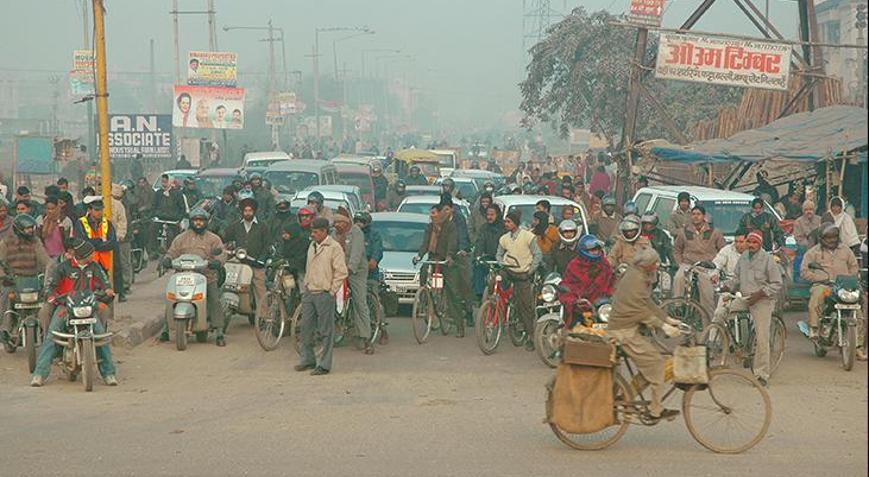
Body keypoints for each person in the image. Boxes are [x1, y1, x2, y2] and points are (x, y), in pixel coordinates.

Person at [606, 247, 682, 421]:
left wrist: (667, 318)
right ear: (647, 265)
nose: (656, 266)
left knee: (649, 368)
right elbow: (640, 310)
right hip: (623, 333)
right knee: (657, 364)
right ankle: (656, 410)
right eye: (654, 263)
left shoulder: (637, 274)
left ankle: (626, 398)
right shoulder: (636, 279)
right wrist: (663, 326)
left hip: (627, 329)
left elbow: (647, 302)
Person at [30, 239, 118, 387]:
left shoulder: (94, 267)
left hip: (89, 308)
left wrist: (108, 291)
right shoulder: (63, 268)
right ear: (84, 254)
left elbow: (105, 283)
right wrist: (52, 297)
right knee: (52, 335)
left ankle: (109, 373)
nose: (93, 255)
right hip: (66, 307)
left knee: (100, 336)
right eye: (91, 253)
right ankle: (39, 374)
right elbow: (50, 287)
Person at [715, 232, 783, 386]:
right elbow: (737, 278)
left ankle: (761, 374)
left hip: (763, 300)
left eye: (754, 242)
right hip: (745, 297)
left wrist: (760, 294)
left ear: (760, 244)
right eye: (749, 242)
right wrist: (727, 287)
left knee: (762, 336)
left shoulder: (767, 260)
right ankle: (733, 345)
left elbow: (777, 284)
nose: (751, 245)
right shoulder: (744, 257)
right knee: (721, 312)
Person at [161, 208, 227, 346]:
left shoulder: (213, 239)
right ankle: (165, 329)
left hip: (206, 276)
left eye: (201, 220)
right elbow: (172, 252)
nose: (198, 223)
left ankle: (219, 332)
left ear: (206, 222)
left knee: (215, 300)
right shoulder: (181, 238)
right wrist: (167, 259)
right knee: (171, 297)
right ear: (191, 222)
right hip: (182, 275)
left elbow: (221, 253)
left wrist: (217, 262)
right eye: (195, 220)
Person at [295, 218, 348, 376]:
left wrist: (331, 290)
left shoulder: (334, 247)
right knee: (305, 328)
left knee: (326, 331)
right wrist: (306, 284)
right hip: (310, 292)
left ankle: (324, 364)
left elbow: (341, 272)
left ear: (325, 231)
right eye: (312, 232)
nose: (313, 235)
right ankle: (308, 359)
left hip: (324, 293)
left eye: (316, 232)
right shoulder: (312, 246)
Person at [800, 225, 860, 343]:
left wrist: (851, 278)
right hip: (823, 285)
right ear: (822, 238)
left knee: (859, 306)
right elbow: (804, 271)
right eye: (828, 238)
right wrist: (819, 278)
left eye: (834, 237)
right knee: (816, 297)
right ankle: (814, 328)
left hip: (843, 287)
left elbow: (854, 266)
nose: (832, 240)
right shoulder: (813, 252)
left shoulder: (846, 250)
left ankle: (857, 344)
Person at [0, 214, 51, 344]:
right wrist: (3, 276)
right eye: (27, 229)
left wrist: (51, 271)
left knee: (47, 300)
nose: (30, 231)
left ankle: (49, 334)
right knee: (7, 295)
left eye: (32, 228)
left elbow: (46, 260)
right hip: (12, 280)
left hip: (33, 280)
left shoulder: (36, 241)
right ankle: (5, 329)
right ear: (18, 229)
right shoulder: (6, 242)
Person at [497, 210, 543, 350]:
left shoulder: (528, 237)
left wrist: (531, 270)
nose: (506, 224)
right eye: (505, 221)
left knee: (525, 306)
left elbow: (538, 255)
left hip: (523, 274)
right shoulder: (504, 238)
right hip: (508, 271)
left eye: (509, 222)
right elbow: (499, 254)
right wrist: (501, 263)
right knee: (495, 282)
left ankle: (530, 336)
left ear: (515, 223)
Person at [222, 197, 269, 331]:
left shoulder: (262, 226)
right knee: (226, 281)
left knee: (260, 287)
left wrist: (261, 259)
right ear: (242, 212)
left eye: (250, 211)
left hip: (255, 263)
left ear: (254, 212)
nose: (247, 213)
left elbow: (267, 245)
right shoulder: (236, 225)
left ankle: (264, 317)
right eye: (245, 211)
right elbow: (224, 236)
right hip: (239, 262)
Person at [414, 204, 462, 334]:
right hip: (433, 258)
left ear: (441, 213)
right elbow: (425, 244)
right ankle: (424, 299)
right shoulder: (430, 228)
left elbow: (452, 243)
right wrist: (419, 255)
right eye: (431, 213)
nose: (431, 215)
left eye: (434, 213)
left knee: (452, 292)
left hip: (446, 261)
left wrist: (449, 256)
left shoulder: (450, 227)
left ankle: (459, 325)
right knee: (423, 272)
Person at [672, 205, 725, 316]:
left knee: (706, 293)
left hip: (706, 267)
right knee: (678, 277)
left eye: (698, 214)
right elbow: (676, 249)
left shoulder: (714, 232)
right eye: (693, 214)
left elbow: (723, 250)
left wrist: (717, 265)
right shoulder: (684, 232)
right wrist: (680, 263)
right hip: (688, 264)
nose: (695, 217)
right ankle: (678, 306)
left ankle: (708, 318)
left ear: (704, 217)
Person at [331, 211, 372, 354]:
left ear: (347, 222)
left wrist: (349, 269)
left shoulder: (356, 233)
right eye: (335, 223)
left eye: (339, 223)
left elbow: (356, 253)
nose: (337, 225)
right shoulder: (333, 234)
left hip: (356, 271)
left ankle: (366, 337)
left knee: (359, 302)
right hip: (338, 270)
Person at [558, 234, 614, 323]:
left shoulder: (604, 264)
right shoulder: (574, 266)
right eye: (592, 250)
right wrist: (575, 301)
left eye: (597, 249)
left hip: (602, 308)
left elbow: (611, 284)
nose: (596, 252)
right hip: (579, 309)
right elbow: (567, 286)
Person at [355, 211, 387, 345]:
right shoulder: (352, 234)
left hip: (370, 273)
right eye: (356, 221)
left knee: (374, 301)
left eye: (361, 222)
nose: (358, 224)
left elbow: (377, 251)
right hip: (354, 272)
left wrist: (372, 261)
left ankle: (383, 328)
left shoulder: (374, 235)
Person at [73, 197, 118, 277]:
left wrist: (93, 244)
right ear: (89, 210)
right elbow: (82, 243)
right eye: (96, 210)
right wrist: (100, 241)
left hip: (104, 264)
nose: (99, 212)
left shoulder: (107, 223)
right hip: (88, 263)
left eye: (101, 209)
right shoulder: (80, 223)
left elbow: (112, 242)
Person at [474, 204, 504, 297]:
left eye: (492, 215)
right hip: (488, 257)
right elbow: (480, 242)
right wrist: (478, 256)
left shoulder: (504, 228)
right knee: (478, 268)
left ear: (497, 215)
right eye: (488, 215)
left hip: (502, 259)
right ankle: (479, 294)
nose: (489, 217)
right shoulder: (484, 228)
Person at [110, 184, 130, 302]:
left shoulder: (118, 205)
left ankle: (121, 292)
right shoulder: (100, 203)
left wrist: (120, 235)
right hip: (100, 239)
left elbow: (122, 222)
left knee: (117, 266)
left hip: (113, 239)